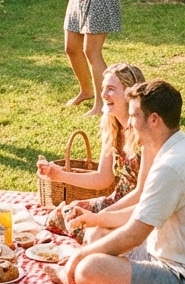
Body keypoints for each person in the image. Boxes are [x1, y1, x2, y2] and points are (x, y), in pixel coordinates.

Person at [46, 79, 185, 284]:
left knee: (88, 269)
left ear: (154, 120)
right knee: (96, 233)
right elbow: (141, 212)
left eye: (133, 116)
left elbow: (134, 234)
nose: (129, 124)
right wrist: (97, 219)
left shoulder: (171, 166)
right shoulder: (179, 148)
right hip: (168, 254)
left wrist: (80, 255)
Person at [41, 62, 146, 239]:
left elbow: (144, 194)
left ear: (130, 94)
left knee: (92, 232)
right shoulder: (113, 126)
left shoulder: (145, 133)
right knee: (58, 216)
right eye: (103, 88)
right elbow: (103, 178)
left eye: (111, 89)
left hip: (135, 210)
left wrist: (99, 218)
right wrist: (59, 175)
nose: (104, 95)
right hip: (115, 202)